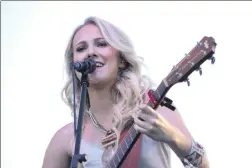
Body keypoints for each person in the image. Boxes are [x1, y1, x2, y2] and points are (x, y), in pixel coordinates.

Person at [42, 16, 210, 168]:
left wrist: (172, 136)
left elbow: (203, 165)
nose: (90, 53)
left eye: (101, 44)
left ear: (122, 60)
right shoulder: (65, 139)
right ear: (74, 65)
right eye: (80, 48)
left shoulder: (153, 109)